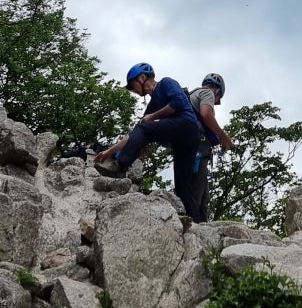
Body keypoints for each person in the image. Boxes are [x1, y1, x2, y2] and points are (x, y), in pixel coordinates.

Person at [95, 62, 203, 221]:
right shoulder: (152, 106)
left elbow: (177, 103)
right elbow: (134, 135)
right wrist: (108, 152)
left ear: (142, 77)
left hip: (187, 125)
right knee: (182, 187)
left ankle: (119, 165)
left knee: (144, 126)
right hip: (183, 141)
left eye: (133, 86)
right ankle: (197, 224)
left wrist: (152, 117)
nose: (133, 90)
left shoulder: (166, 83)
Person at [188, 72, 233, 224]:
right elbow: (206, 114)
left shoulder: (192, 96)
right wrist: (223, 137)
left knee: (203, 197)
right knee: (196, 197)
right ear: (218, 91)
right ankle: (193, 230)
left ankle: (202, 229)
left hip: (194, 151)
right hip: (198, 153)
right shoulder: (207, 93)